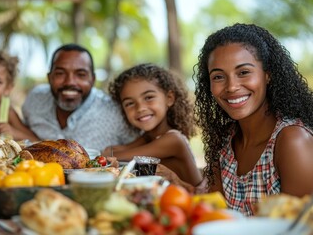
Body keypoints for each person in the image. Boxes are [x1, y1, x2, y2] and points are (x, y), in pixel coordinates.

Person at [193, 23, 313, 216]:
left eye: (243, 72)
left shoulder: (292, 141)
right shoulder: (224, 142)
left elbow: (302, 228)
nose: (231, 87)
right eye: (218, 77)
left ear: (267, 75)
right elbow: (214, 218)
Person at [101, 63, 205, 191]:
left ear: (169, 98)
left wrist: (110, 155)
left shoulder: (174, 139)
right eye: (130, 103)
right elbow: (115, 151)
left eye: (148, 97)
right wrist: (111, 154)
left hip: (194, 203)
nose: (140, 108)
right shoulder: (148, 137)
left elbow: (119, 155)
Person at [22, 44, 137, 151]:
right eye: (60, 73)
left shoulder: (115, 112)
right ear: (49, 78)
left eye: (81, 74)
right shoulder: (35, 100)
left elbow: (144, 143)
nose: (70, 82)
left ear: (92, 80)